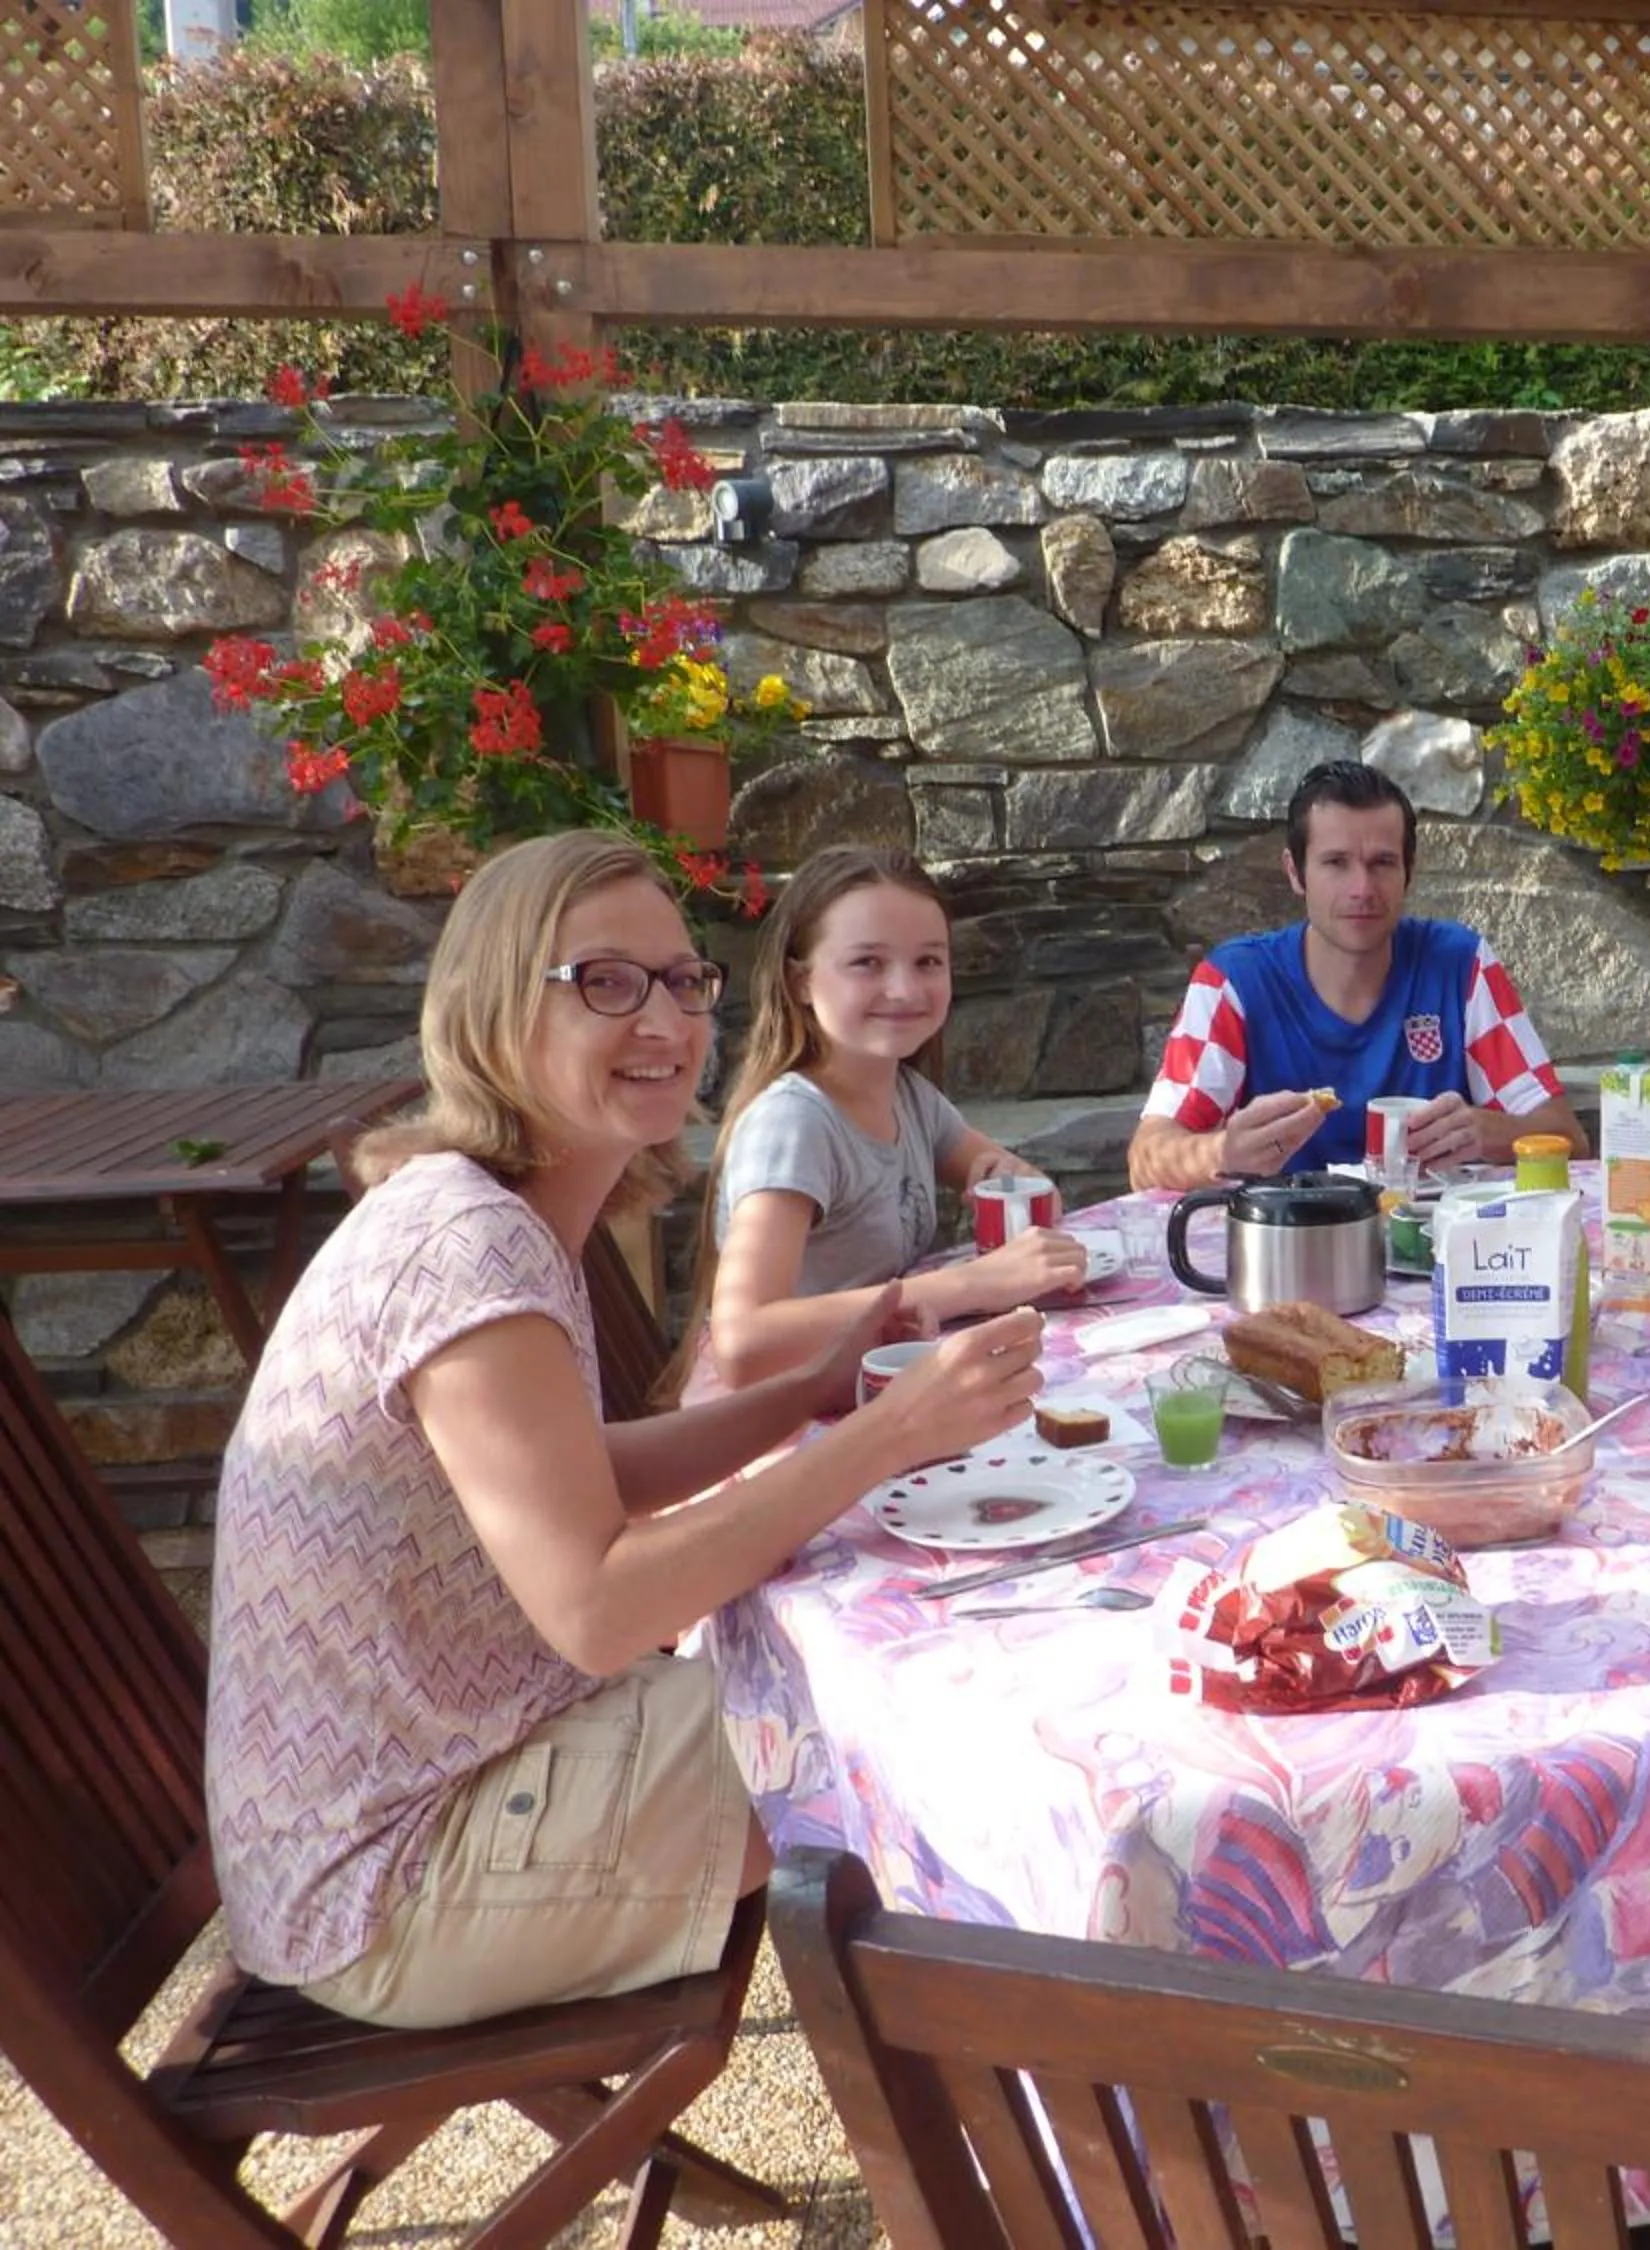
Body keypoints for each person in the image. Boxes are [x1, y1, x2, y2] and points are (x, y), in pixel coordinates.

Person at [204, 831, 1047, 2030]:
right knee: (942, 1741)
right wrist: (888, 1433)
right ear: (495, 1006)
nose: (663, 1020)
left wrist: (814, 1397)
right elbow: (599, 1610)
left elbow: (582, 1476)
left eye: (681, 980)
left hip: (462, 1777)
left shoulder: (490, 1214)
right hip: (398, 1882)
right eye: (604, 981)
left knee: (918, 1672)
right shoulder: (467, 1255)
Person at [688, 846, 1084, 1396]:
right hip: (773, 1431)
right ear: (800, 981)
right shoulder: (792, 1124)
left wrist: (1011, 1177)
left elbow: (1028, 1193)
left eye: (928, 961)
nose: (904, 989)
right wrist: (970, 1285)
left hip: (872, 1393)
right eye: (867, 963)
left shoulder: (907, 1095)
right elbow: (743, 1345)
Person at [1129, 759, 1590, 1189]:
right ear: (1295, 873)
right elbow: (1146, 1158)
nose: (1362, 889)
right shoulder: (1234, 982)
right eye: (1336, 863)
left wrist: (1487, 1132)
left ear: (1409, 870)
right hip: (1286, 1252)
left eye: (1382, 863)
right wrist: (1221, 1150)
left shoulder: (1458, 964)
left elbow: (1568, 1140)